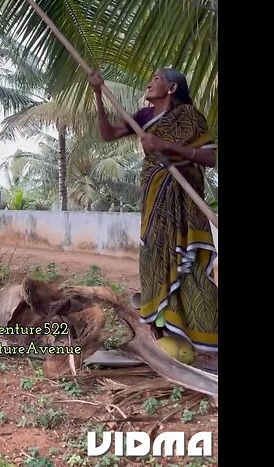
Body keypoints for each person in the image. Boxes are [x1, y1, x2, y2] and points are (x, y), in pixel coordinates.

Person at [90, 68, 218, 357]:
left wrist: (165, 145)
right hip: (154, 200)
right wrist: (98, 94)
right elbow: (107, 134)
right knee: (153, 258)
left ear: (172, 88)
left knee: (191, 264)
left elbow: (210, 158)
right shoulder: (144, 117)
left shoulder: (190, 117)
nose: (149, 82)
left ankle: (208, 344)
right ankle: (163, 334)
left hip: (184, 202)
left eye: (157, 79)